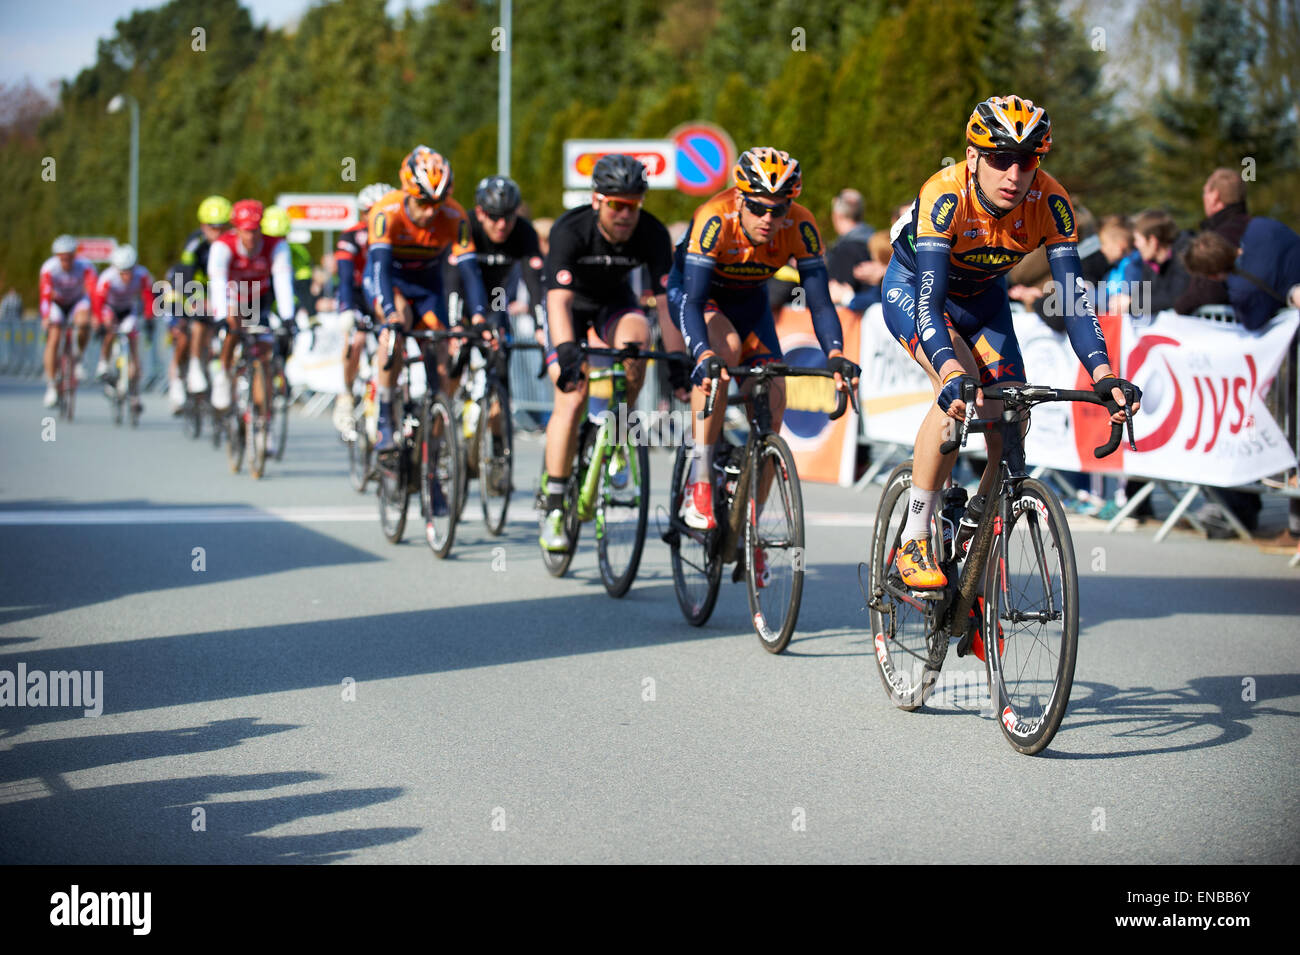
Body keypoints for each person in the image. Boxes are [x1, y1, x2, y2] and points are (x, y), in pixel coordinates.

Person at [881, 94, 1139, 595]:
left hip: (985, 302)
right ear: (974, 156)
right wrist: (951, 371)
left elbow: (1075, 301)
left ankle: (976, 524)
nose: (1014, 173)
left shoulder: (1053, 204)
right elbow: (931, 304)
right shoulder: (946, 194)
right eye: (1000, 158)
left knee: (1012, 413)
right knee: (958, 391)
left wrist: (1104, 374)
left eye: (1027, 160)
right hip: (918, 291)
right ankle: (914, 535)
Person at [672, 146, 860, 551]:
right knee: (723, 352)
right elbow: (690, 300)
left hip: (749, 301)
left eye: (779, 210)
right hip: (698, 297)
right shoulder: (713, 218)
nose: (769, 219)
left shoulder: (801, 224)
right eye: (758, 208)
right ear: (740, 198)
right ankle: (700, 483)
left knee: (776, 395)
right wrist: (703, 355)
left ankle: (749, 529)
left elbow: (821, 302)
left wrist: (836, 356)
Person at [537, 153, 690, 551]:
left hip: (613, 304)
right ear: (597, 201)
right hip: (569, 306)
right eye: (616, 205)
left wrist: (677, 364)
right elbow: (557, 302)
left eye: (633, 206)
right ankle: (554, 504)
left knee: (637, 341)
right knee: (571, 397)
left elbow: (666, 304)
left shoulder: (653, 234)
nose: (625, 215)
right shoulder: (570, 230)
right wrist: (568, 351)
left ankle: (619, 433)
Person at [367, 146, 489, 481]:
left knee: (440, 363)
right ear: (407, 193)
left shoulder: (454, 216)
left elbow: (470, 271)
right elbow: (378, 269)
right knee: (395, 329)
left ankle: (432, 456)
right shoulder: (385, 211)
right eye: (422, 204)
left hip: (428, 286)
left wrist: (478, 316)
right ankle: (385, 420)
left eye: (435, 205)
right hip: (391, 281)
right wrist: (389, 312)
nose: (428, 214)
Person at [207, 199, 297, 413]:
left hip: (260, 299)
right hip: (233, 297)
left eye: (255, 231)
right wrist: (220, 316)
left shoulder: (276, 245)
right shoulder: (222, 245)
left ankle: (262, 419)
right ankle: (224, 375)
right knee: (232, 328)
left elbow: (283, 281)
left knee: (264, 354)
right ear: (236, 229)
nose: (250, 237)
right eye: (245, 231)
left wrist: (287, 316)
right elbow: (217, 282)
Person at [332, 182, 392, 434]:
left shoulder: (394, 235)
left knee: (388, 345)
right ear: (363, 213)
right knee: (356, 340)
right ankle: (345, 393)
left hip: (380, 294)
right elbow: (344, 279)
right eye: (372, 211)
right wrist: (346, 309)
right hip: (356, 295)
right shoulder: (351, 237)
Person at [178, 195, 233, 411]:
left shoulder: (232, 241)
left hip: (226, 289)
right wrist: (193, 300)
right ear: (203, 226)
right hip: (199, 287)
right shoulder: (195, 243)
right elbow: (185, 275)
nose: (218, 232)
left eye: (222, 227)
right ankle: (194, 367)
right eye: (212, 227)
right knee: (199, 318)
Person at [92, 244, 154, 414]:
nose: (127, 276)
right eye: (122, 272)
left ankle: (135, 395)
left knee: (133, 344)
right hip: (110, 308)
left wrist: (149, 318)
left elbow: (148, 296)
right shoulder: (107, 277)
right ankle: (103, 363)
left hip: (128, 309)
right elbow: (98, 302)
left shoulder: (142, 275)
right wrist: (99, 323)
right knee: (110, 328)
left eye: (129, 271)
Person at [38, 235, 97, 407]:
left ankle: (78, 358)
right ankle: (51, 385)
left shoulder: (85, 266)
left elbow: (92, 292)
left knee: (84, 323)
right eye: (62, 258)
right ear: (57, 257)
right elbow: (44, 295)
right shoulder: (49, 268)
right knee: (54, 338)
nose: (66, 261)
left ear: (74, 255)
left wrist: (95, 315)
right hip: (57, 303)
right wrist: (45, 316)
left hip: (77, 301)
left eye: (69, 257)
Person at [826, 188, 881, 310]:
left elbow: (836, 294)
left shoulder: (845, 250)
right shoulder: (877, 242)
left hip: (857, 318)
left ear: (837, 215)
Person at [1132, 209, 1192, 316]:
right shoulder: (1150, 262)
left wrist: (1133, 304)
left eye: (1137, 240)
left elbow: (1175, 297)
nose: (1135, 245)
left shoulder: (1185, 255)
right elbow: (1143, 294)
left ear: (1152, 241)